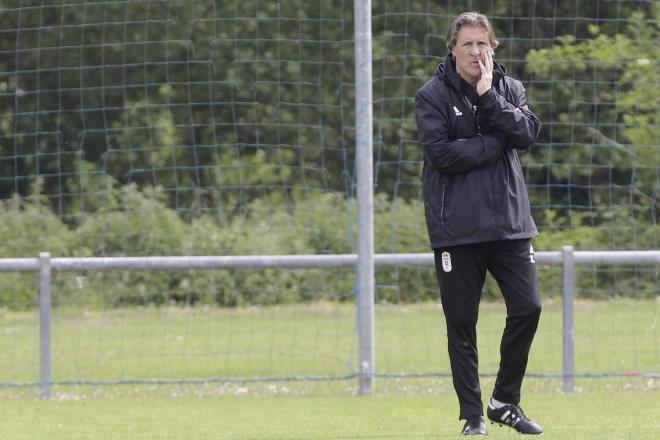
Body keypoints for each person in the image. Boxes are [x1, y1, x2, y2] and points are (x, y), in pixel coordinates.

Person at [414, 12, 544, 436]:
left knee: (529, 308)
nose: (476, 52)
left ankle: (504, 401)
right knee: (462, 323)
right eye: (467, 44)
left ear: (493, 47)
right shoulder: (431, 95)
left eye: (483, 44)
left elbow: (526, 132)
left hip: (510, 224)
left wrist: (490, 99)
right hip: (458, 228)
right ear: (452, 48)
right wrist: (493, 142)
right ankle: (472, 416)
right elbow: (441, 155)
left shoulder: (510, 88)